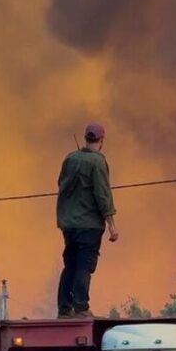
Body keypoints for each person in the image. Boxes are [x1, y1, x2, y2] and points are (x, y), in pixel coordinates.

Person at [56, 123, 118, 319]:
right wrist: (112, 225)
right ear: (101, 140)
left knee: (70, 265)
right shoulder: (98, 162)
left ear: (85, 138)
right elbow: (102, 195)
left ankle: (64, 309)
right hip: (89, 224)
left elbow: (61, 184)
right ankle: (81, 307)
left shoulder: (70, 158)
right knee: (84, 265)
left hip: (68, 224)